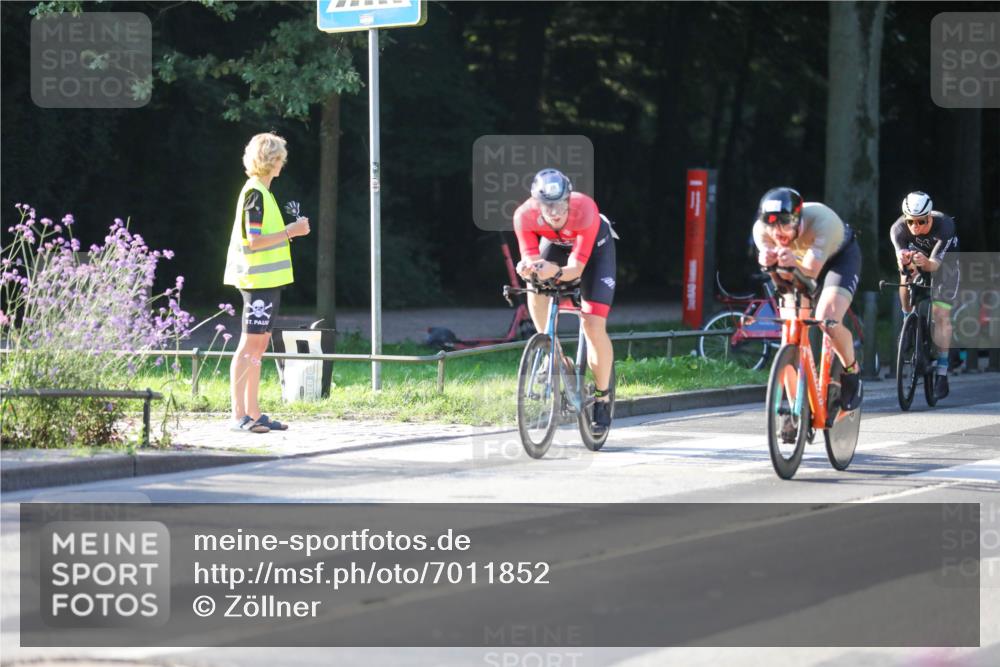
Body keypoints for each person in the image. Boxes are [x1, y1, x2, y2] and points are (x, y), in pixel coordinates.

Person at [512, 169, 618, 435]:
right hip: (557, 245)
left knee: (593, 325)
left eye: (561, 204)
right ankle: (553, 352)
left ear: (570, 199)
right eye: (548, 206)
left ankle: (602, 398)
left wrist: (555, 272)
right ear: (536, 204)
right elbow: (531, 258)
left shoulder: (585, 209)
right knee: (534, 284)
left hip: (593, 253)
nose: (556, 212)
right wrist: (529, 268)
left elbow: (576, 270)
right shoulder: (523, 216)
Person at [752, 187, 863, 425]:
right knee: (789, 334)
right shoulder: (761, 231)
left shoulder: (823, 221)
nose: (777, 232)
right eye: (771, 226)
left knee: (827, 319)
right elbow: (783, 284)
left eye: (784, 224)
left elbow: (811, 276)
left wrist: (790, 265)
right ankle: (796, 412)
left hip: (837, 262)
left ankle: (852, 372)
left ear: (798, 219)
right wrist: (770, 268)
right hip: (797, 267)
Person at [223, 133, 311, 433]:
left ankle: (254, 412)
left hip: (268, 281)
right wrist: (291, 231)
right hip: (256, 281)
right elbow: (255, 241)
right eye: (280, 158)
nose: (282, 164)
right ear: (273, 161)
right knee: (249, 345)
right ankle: (238, 415)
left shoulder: (263, 192)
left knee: (258, 346)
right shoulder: (255, 194)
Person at [889, 191, 960, 400]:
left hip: (945, 264)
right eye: (910, 221)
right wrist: (906, 262)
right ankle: (907, 321)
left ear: (929, 217)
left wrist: (925, 263)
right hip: (918, 259)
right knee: (905, 275)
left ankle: (942, 372)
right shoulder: (898, 229)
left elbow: (934, 264)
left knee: (940, 314)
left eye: (921, 221)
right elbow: (900, 262)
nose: (915, 227)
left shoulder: (945, 226)